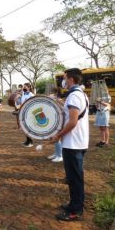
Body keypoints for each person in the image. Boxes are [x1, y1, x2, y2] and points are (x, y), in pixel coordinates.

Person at [50, 68, 89, 221]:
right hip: (78, 141)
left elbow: (72, 121)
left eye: (64, 78)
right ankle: (73, 204)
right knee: (74, 177)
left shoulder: (74, 96)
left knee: (75, 178)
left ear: (71, 79)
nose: (63, 81)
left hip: (73, 144)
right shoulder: (81, 94)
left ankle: (76, 211)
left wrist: (58, 136)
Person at [47, 87, 63, 163]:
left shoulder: (59, 100)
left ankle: (60, 155)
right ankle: (56, 153)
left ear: (56, 93)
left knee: (57, 138)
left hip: (59, 121)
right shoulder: (54, 100)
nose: (50, 94)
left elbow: (63, 109)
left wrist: (57, 101)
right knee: (55, 138)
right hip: (54, 120)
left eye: (52, 92)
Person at [20, 83, 35, 147]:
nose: (24, 88)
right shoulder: (23, 94)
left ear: (29, 87)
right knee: (24, 127)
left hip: (29, 113)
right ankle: (27, 140)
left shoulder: (31, 95)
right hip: (24, 112)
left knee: (28, 128)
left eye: (25, 87)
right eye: (23, 87)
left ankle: (30, 142)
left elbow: (34, 103)